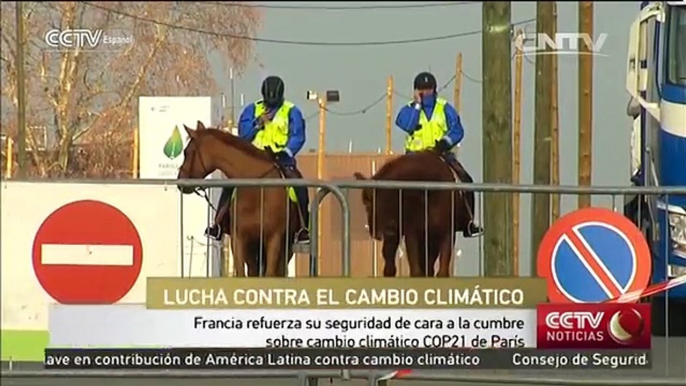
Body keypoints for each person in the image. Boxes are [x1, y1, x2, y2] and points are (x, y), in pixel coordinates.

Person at [205, 75, 311, 244]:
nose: (271, 104)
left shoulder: (292, 111)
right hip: (253, 160)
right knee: (230, 185)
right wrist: (258, 123)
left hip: (280, 159)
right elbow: (243, 136)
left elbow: (298, 136)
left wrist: (288, 151)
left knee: (299, 187)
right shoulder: (251, 110)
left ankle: (303, 229)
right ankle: (217, 224)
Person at [395, 71, 483, 237]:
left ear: (434, 90)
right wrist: (417, 105)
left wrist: (446, 142)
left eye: (428, 89)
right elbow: (407, 125)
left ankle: (469, 222)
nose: (425, 92)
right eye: (421, 89)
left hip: (441, 155)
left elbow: (457, 129)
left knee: (466, 179)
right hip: (414, 157)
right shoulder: (408, 110)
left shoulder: (445, 108)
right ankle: (394, 223)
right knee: (393, 183)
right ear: (416, 91)